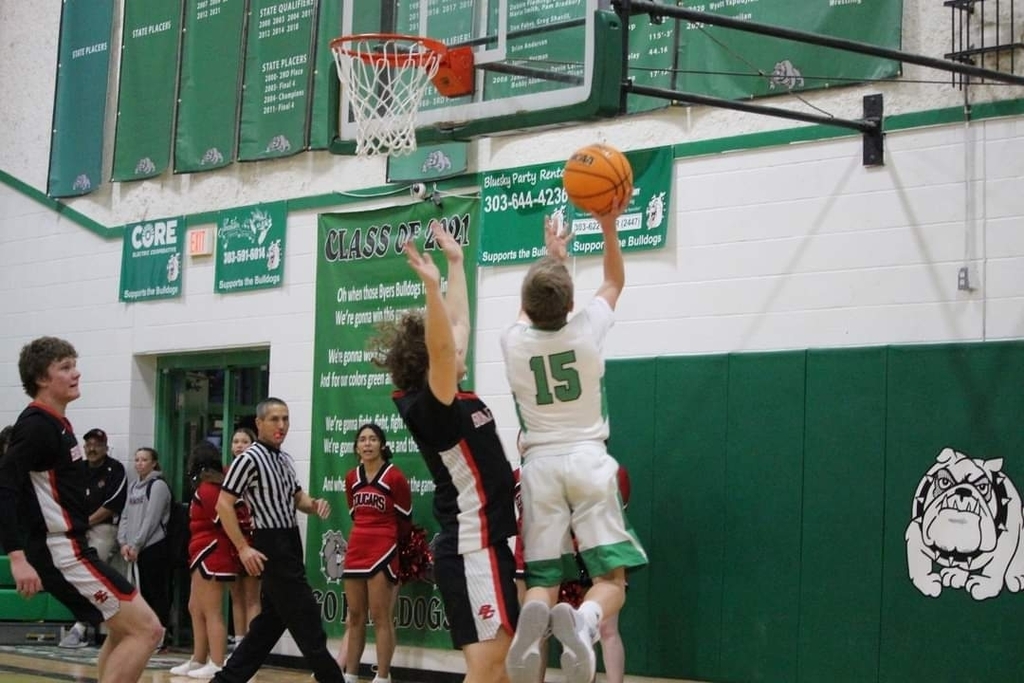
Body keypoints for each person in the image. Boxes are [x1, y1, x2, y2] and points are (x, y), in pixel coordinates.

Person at [501, 209, 648, 683]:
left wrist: (551, 257)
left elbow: (533, 305)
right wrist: (608, 223)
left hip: (538, 466)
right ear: (568, 305)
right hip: (588, 459)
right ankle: (585, 622)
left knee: (542, 579)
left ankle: (534, 619)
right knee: (611, 581)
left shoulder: (513, 341)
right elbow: (613, 281)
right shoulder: (586, 329)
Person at [370, 220, 519, 683]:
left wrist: (455, 264)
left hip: (483, 545)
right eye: (450, 349)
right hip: (472, 547)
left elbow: (456, 325)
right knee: (489, 666)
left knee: (499, 665)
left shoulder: (450, 395)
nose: (460, 344)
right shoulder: (432, 407)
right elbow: (442, 340)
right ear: (434, 361)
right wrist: (431, 289)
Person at [0, 336, 163, 683]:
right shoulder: (36, 426)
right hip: (61, 550)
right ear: (42, 379)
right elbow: (5, 488)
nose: (76, 373)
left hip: (73, 545)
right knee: (148, 630)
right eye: (65, 367)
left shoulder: (58, 423)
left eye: (74, 364)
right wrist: (17, 557)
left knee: (124, 629)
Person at [210, 397, 344, 683]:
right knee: (307, 616)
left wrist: (313, 504)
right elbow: (224, 504)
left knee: (269, 624)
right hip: (271, 543)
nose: (281, 425)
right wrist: (243, 548)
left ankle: (225, 681)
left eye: (285, 419)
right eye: (274, 419)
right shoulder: (248, 459)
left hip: (291, 540)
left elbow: (297, 497)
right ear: (259, 423)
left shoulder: (284, 459)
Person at [338, 422, 411, 683]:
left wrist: (394, 547)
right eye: (362, 439)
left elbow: (405, 520)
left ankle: (382, 676)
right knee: (355, 616)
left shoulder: (395, 477)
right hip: (357, 547)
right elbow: (354, 513)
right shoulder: (350, 478)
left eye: (372, 439)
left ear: (382, 444)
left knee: (381, 616)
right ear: (356, 446)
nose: (367, 444)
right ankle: (351, 673)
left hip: (384, 547)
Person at [170, 440, 242, 679]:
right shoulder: (206, 488)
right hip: (201, 552)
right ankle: (198, 658)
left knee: (212, 610)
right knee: (194, 606)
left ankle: (218, 661)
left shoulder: (209, 490)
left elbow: (224, 520)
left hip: (213, 552)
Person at [60, 427, 128, 649]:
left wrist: (85, 522)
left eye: (96, 445)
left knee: (92, 571)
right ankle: (86, 624)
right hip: (77, 528)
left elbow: (112, 505)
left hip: (103, 528)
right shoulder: (77, 469)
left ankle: (80, 626)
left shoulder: (115, 469)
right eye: (88, 444)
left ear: (105, 447)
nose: (92, 448)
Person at [117, 446, 173, 642]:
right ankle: (143, 633)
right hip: (133, 549)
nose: (140, 463)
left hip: (153, 546)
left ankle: (161, 635)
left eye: (144, 460)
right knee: (138, 593)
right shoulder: (133, 486)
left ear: (154, 463)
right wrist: (123, 542)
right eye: (137, 460)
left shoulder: (158, 486)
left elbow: (151, 519)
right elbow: (125, 515)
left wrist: (137, 544)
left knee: (154, 591)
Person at [227, 426, 261, 650]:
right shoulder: (226, 472)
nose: (239, 445)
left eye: (244, 441)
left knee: (252, 597)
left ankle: (253, 648)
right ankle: (239, 646)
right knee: (236, 596)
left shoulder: (257, 471)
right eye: (235, 441)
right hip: (232, 539)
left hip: (253, 538)